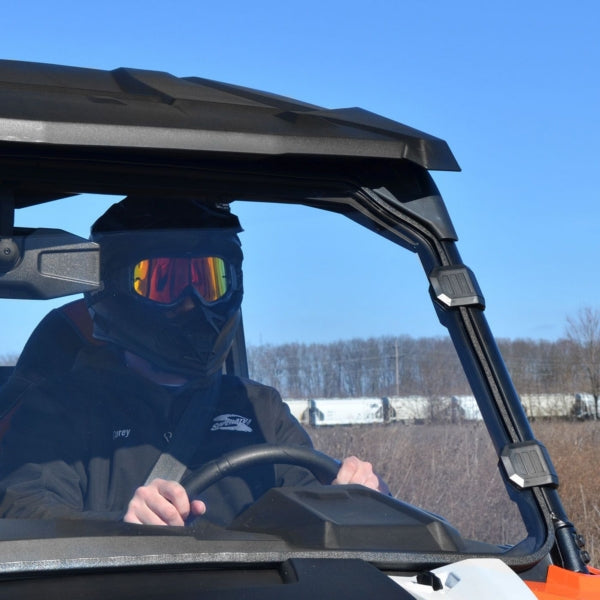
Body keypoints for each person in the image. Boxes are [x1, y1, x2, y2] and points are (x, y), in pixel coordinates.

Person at [0, 196, 386, 527]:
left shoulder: (259, 407)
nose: (193, 302)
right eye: (164, 282)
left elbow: (310, 507)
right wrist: (120, 526)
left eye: (210, 281)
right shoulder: (59, 406)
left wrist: (358, 501)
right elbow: (25, 508)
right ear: (114, 288)